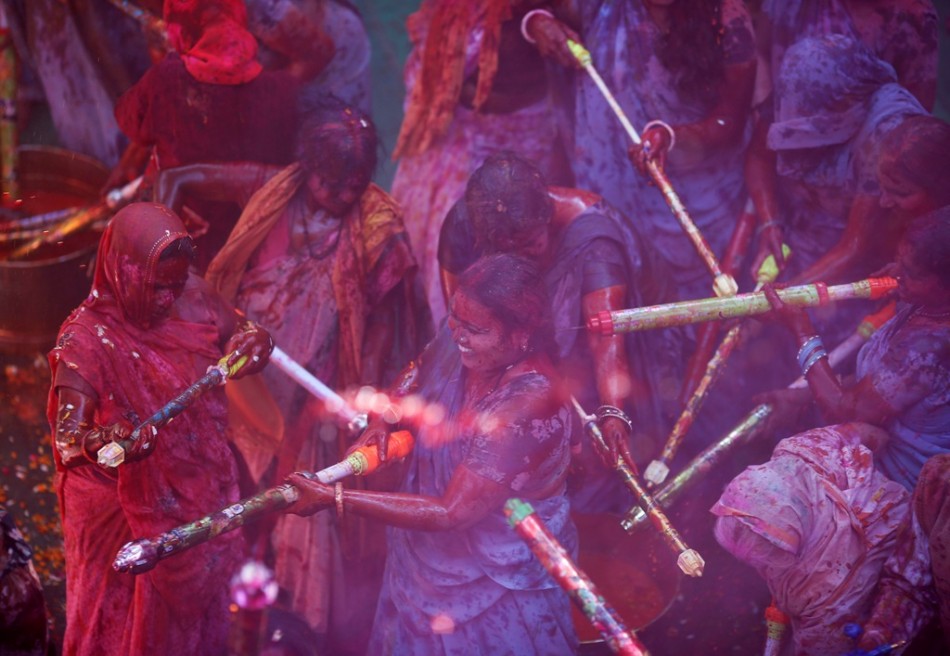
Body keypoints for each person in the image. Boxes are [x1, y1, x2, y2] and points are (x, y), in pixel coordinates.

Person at [156, 97, 429, 652]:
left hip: (317, 390)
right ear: (308, 170)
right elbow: (178, 179)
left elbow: (384, 330)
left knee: (294, 490)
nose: (346, 196)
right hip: (244, 374)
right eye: (333, 185)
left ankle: (289, 608)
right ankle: (229, 569)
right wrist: (168, 244)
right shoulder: (272, 190)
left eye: (356, 184)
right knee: (232, 468)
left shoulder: (380, 231)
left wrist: (363, 399)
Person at [287, 253, 579, 654]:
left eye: (474, 330)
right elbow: (419, 366)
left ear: (520, 335)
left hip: (499, 591)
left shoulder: (528, 404)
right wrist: (384, 420)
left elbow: (450, 512)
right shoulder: (461, 329)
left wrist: (334, 498)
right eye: (454, 318)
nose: (456, 334)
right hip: (421, 573)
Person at [712, 206, 950, 654]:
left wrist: (800, 328)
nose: (898, 276)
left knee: (825, 604)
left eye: (914, 273)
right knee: (771, 518)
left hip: (898, 488)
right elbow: (871, 394)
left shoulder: (933, 340)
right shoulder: (922, 306)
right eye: (900, 261)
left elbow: (848, 407)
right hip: (864, 447)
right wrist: (800, 397)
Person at [46, 202, 273, 656]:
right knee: (120, 620)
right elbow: (69, 441)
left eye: (175, 285)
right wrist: (110, 442)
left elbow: (241, 330)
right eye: (156, 288)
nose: (169, 299)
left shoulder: (195, 295)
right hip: (121, 514)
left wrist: (255, 341)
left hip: (198, 487)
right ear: (122, 271)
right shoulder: (87, 339)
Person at [437, 153, 682, 505]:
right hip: (513, 346)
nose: (535, 248)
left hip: (586, 351)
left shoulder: (594, 240)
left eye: (537, 236)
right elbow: (458, 318)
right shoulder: (463, 227)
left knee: (579, 446)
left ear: (547, 205)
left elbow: (605, 334)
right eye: (517, 246)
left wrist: (613, 411)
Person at [525, 0, 756, 302]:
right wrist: (536, 23)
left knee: (708, 308)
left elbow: (731, 121)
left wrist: (671, 137)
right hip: (617, 196)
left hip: (701, 205)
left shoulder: (728, 18)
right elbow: (539, 13)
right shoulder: (600, 7)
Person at [391, 0, 568, 325]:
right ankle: (449, 332)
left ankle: (514, 330)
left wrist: (534, 19)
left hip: (522, 134)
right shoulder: (455, 11)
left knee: (519, 242)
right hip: (454, 136)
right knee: (440, 247)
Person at [112, 0, 300, 270]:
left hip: (186, 236)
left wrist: (164, 58)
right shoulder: (284, 89)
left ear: (179, 30)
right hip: (253, 241)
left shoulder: (167, 79)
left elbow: (131, 121)